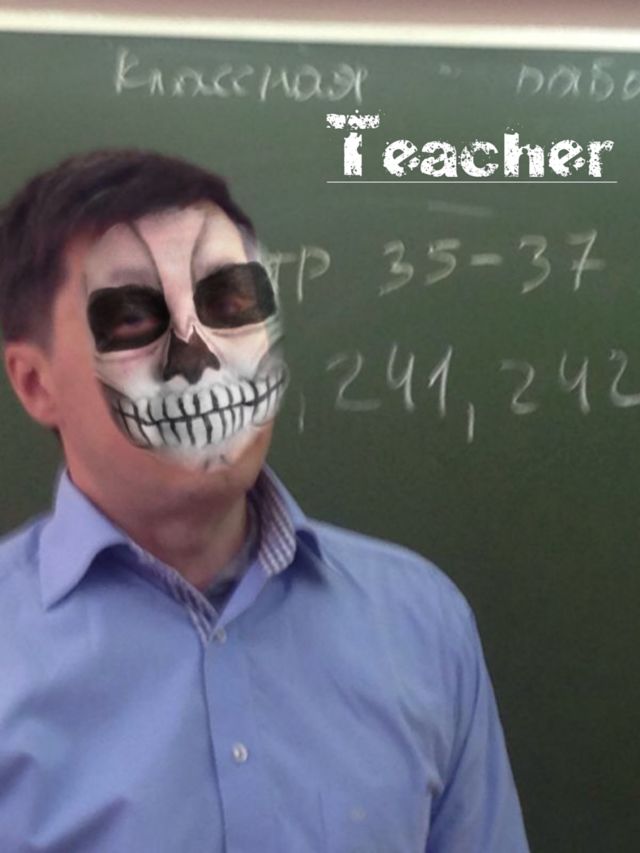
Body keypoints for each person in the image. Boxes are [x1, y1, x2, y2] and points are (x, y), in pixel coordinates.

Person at [0, 149, 529, 852]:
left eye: (230, 304)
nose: (200, 355)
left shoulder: (420, 624)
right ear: (35, 384)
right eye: (131, 318)